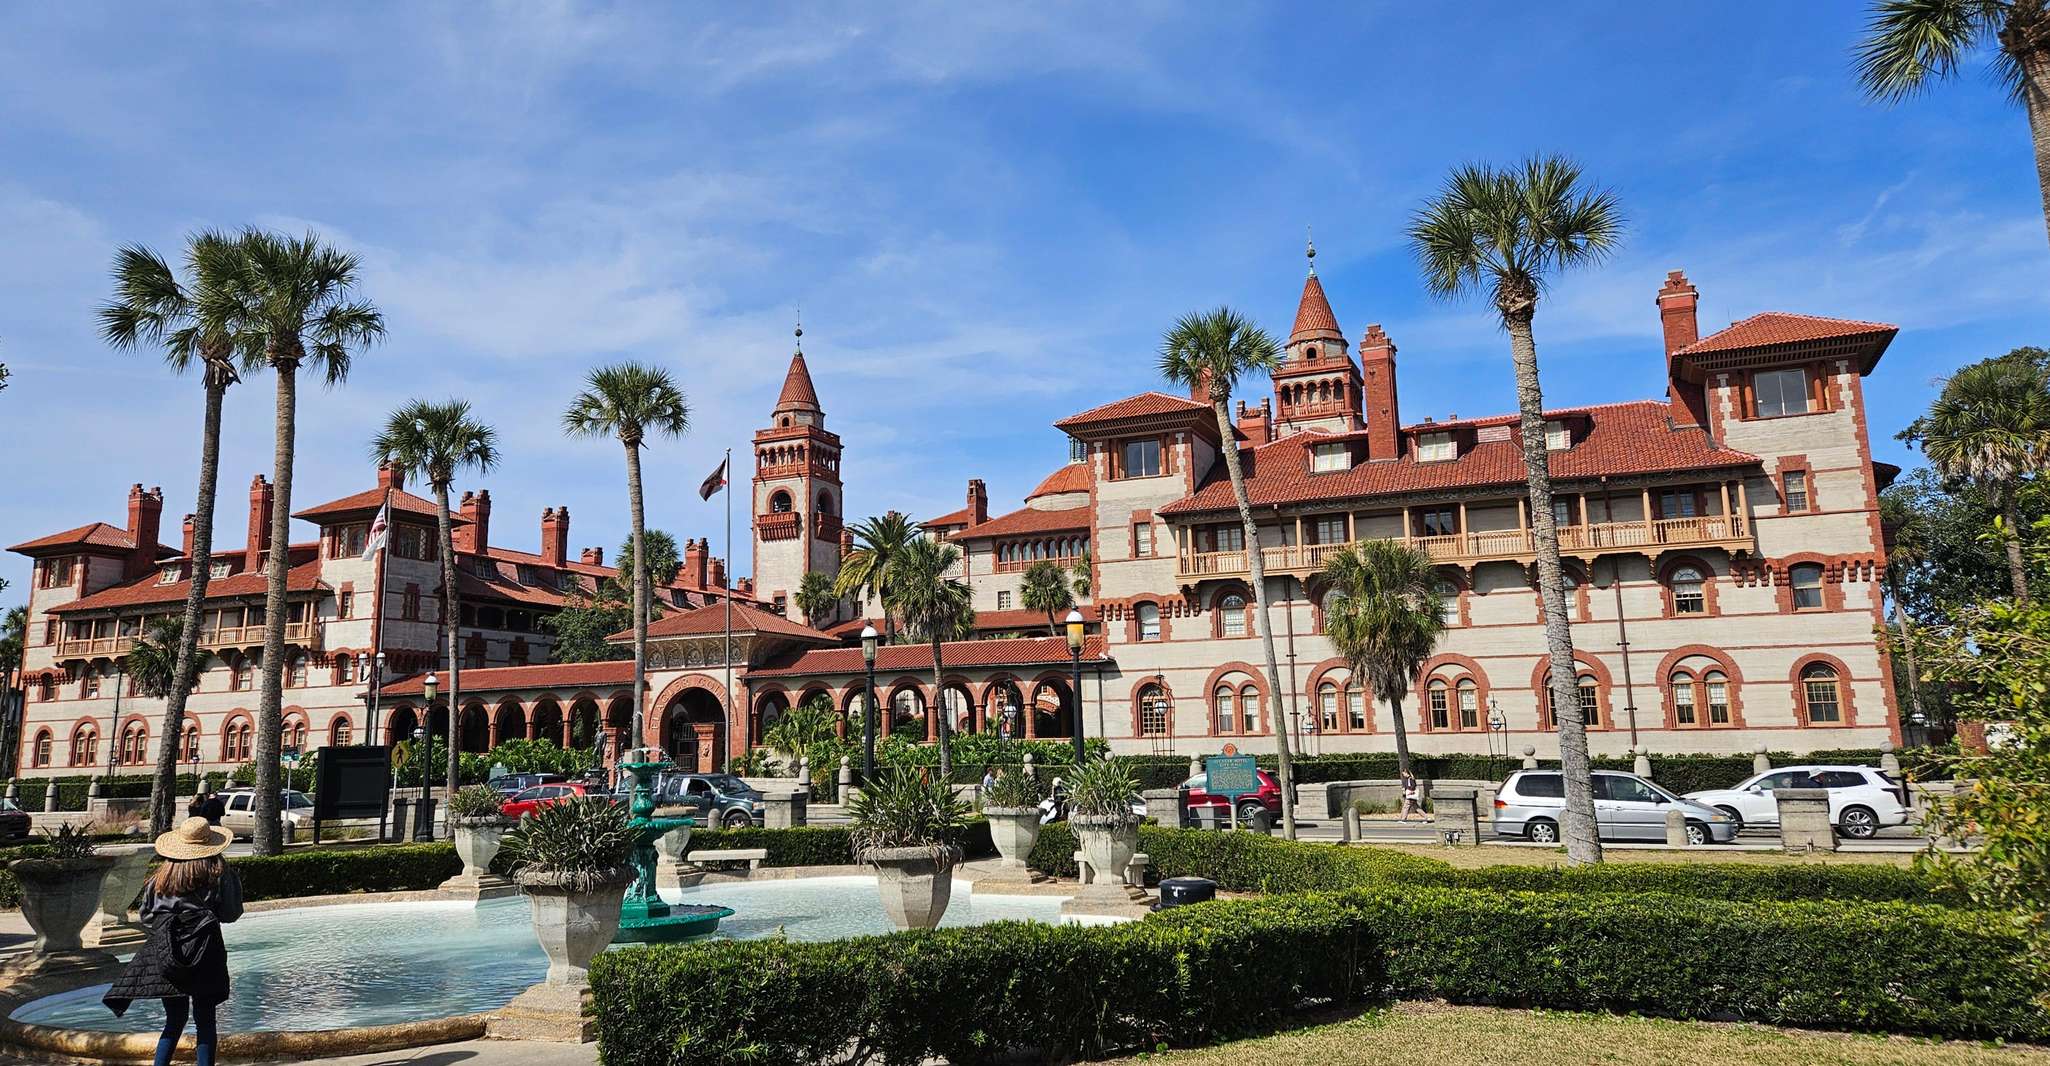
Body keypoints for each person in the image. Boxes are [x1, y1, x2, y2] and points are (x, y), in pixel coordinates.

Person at [104, 816, 242, 1066]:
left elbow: (146, 917)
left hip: (167, 953)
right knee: (205, 1021)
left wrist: (173, 926)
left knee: (174, 1020)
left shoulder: (161, 877)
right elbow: (231, 913)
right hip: (205, 951)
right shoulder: (218, 874)